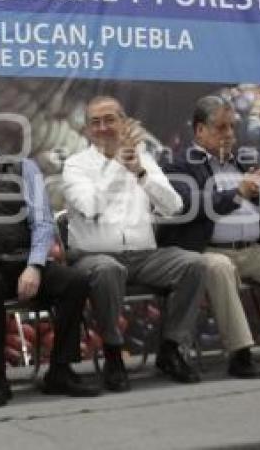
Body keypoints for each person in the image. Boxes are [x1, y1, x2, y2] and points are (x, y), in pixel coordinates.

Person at [0, 116, 99, 407]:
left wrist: (35, 266)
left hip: (22, 259)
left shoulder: (23, 168)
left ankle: (60, 370)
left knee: (74, 282)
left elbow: (43, 222)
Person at [160, 96, 260, 374]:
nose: (229, 135)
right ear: (199, 130)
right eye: (221, 128)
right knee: (219, 267)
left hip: (251, 250)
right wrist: (237, 193)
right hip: (207, 250)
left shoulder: (243, 163)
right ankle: (240, 352)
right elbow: (187, 205)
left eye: (232, 128)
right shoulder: (179, 166)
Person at [62, 96, 206, 391]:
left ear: (123, 123)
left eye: (110, 120)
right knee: (107, 270)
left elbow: (174, 206)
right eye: (95, 122)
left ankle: (171, 348)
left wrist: (141, 173)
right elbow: (91, 207)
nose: (103, 127)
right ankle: (114, 353)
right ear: (88, 129)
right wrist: (118, 164)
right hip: (94, 256)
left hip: (143, 257)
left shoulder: (144, 159)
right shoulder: (75, 165)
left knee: (193, 264)